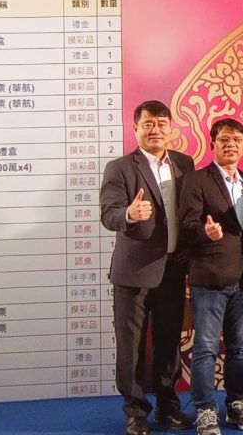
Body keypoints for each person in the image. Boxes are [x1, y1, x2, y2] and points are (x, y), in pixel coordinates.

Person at [100, 100, 195, 435]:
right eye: (148, 124)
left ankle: (168, 406)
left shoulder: (184, 163)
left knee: (169, 342)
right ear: (135, 128)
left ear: (171, 128)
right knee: (132, 345)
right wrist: (128, 214)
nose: (155, 130)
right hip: (134, 273)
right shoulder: (120, 168)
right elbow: (108, 214)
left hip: (173, 269)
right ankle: (135, 411)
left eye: (161, 124)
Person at [179, 119, 243, 434]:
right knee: (206, 348)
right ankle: (205, 409)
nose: (231, 145)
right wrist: (205, 232)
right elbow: (186, 226)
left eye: (237, 139)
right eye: (224, 139)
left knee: (239, 348)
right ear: (213, 143)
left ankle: (236, 403)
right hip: (210, 277)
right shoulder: (196, 180)